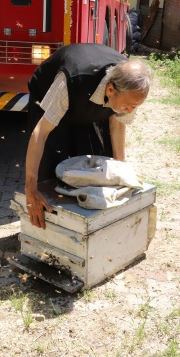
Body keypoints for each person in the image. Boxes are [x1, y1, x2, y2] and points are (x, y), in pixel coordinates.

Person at [24, 43, 152, 229]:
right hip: (51, 95)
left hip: (90, 95)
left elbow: (117, 124)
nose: (131, 111)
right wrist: (31, 189)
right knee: (49, 172)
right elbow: (40, 133)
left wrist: (120, 173)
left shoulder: (128, 87)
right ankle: (48, 230)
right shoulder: (71, 80)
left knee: (97, 166)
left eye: (135, 106)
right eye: (129, 106)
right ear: (110, 90)